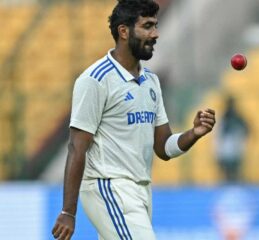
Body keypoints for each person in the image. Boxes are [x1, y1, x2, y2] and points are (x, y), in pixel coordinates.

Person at [51, 0, 216, 239]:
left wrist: (193, 133)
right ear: (124, 31)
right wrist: (68, 211)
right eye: (147, 26)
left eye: (156, 26)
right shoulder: (96, 79)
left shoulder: (151, 81)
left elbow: (163, 147)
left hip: (141, 191)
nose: (155, 34)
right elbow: (77, 147)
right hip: (108, 186)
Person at [215, 96, 249, 183]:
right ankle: (231, 183)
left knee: (232, 170)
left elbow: (247, 129)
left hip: (232, 146)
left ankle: (231, 183)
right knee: (230, 170)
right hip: (230, 147)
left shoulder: (235, 117)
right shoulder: (226, 117)